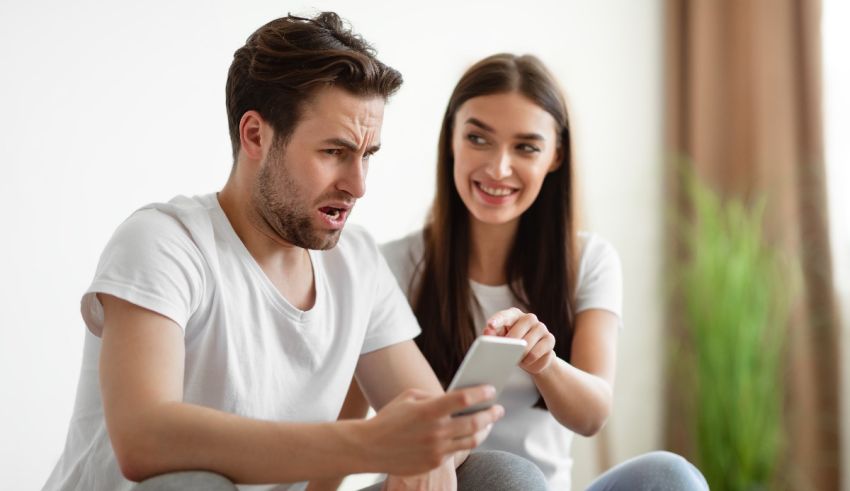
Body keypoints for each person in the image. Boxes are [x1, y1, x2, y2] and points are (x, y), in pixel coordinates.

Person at [43, 14, 550, 491]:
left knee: (500, 476)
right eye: (334, 152)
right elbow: (146, 438)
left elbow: (427, 419)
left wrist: (434, 444)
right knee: (190, 484)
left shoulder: (356, 262)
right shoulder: (163, 242)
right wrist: (370, 444)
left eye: (367, 156)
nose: (358, 184)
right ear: (256, 135)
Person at [336, 54, 710, 490]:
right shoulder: (390, 266)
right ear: (451, 140)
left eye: (526, 147)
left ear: (555, 156)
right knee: (508, 477)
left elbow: (592, 415)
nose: (498, 168)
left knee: (670, 476)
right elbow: (346, 424)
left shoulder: (589, 261)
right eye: (478, 139)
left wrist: (545, 363)